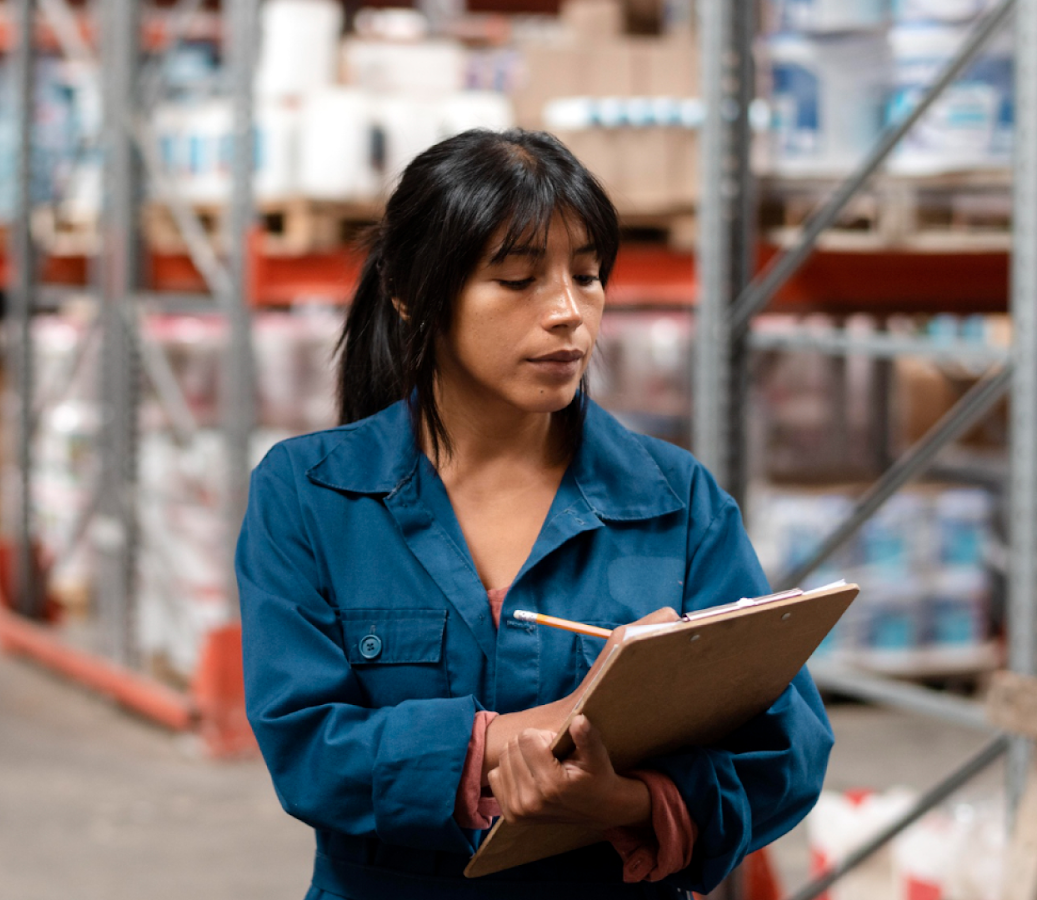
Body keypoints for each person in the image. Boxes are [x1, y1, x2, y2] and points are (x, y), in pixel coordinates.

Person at [236, 129, 833, 900]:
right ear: (411, 291)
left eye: (586, 276)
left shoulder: (674, 501)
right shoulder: (311, 494)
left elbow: (787, 750)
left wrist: (626, 804)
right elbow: (307, 746)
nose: (567, 313)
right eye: (518, 280)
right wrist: (524, 735)